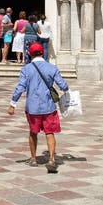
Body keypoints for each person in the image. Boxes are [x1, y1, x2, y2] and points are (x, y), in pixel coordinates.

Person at [8, 42, 69, 173]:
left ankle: (33, 159)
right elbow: (63, 85)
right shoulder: (52, 68)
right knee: (49, 132)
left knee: (33, 132)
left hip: (33, 107)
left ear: (30, 54)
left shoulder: (26, 69)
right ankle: (52, 159)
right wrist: (65, 88)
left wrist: (13, 103)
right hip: (49, 107)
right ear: (43, 53)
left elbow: (21, 87)